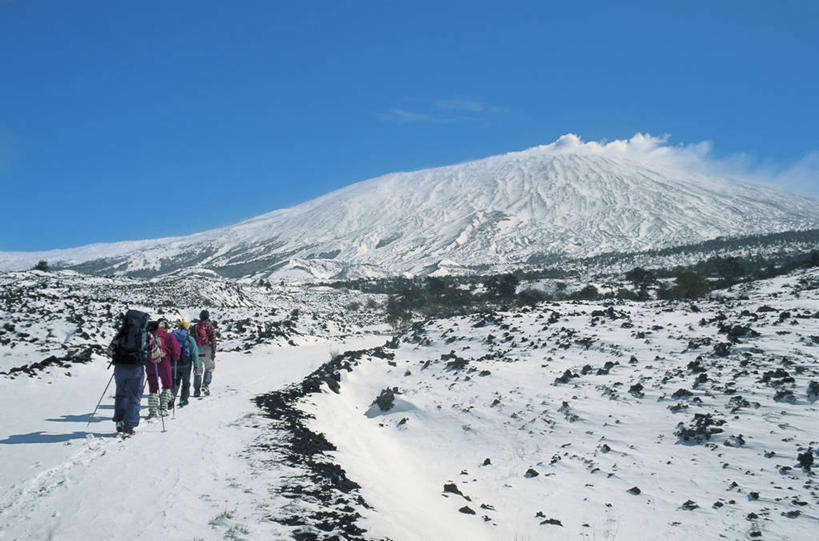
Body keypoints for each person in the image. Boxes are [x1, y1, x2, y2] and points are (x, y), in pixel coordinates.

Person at [106, 310, 155, 436]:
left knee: (121, 394)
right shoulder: (146, 335)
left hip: (120, 369)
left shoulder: (122, 333)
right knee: (134, 397)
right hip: (136, 369)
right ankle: (129, 426)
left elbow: (110, 351)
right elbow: (155, 354)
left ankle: (119, 420)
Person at [146, 319, 180, 417]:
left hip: (150, 362)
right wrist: (175, 358)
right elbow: (176, 351)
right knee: (167, 385)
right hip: (164, 362)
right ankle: (163, 408)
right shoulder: (168, 336)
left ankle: (152, 411)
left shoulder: (147, 336)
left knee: (153, 387)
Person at [171, 319, 199, 408]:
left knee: (174, 382)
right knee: (186, 382)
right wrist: (196, 365)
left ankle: (170, 400)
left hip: (174, 363)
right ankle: (184, 400)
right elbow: (194, 353)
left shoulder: (172, 336)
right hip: (186, 364)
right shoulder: (190, 338)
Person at [192, 310, 217, 397]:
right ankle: (205, 385)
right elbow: (213, 340)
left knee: (197, 371)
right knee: (209, 368)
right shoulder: (210, 327)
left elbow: (190, 339)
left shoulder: (194, 327)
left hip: (196, 350)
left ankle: (196, 391)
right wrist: (213, 352)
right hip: (207, 349)